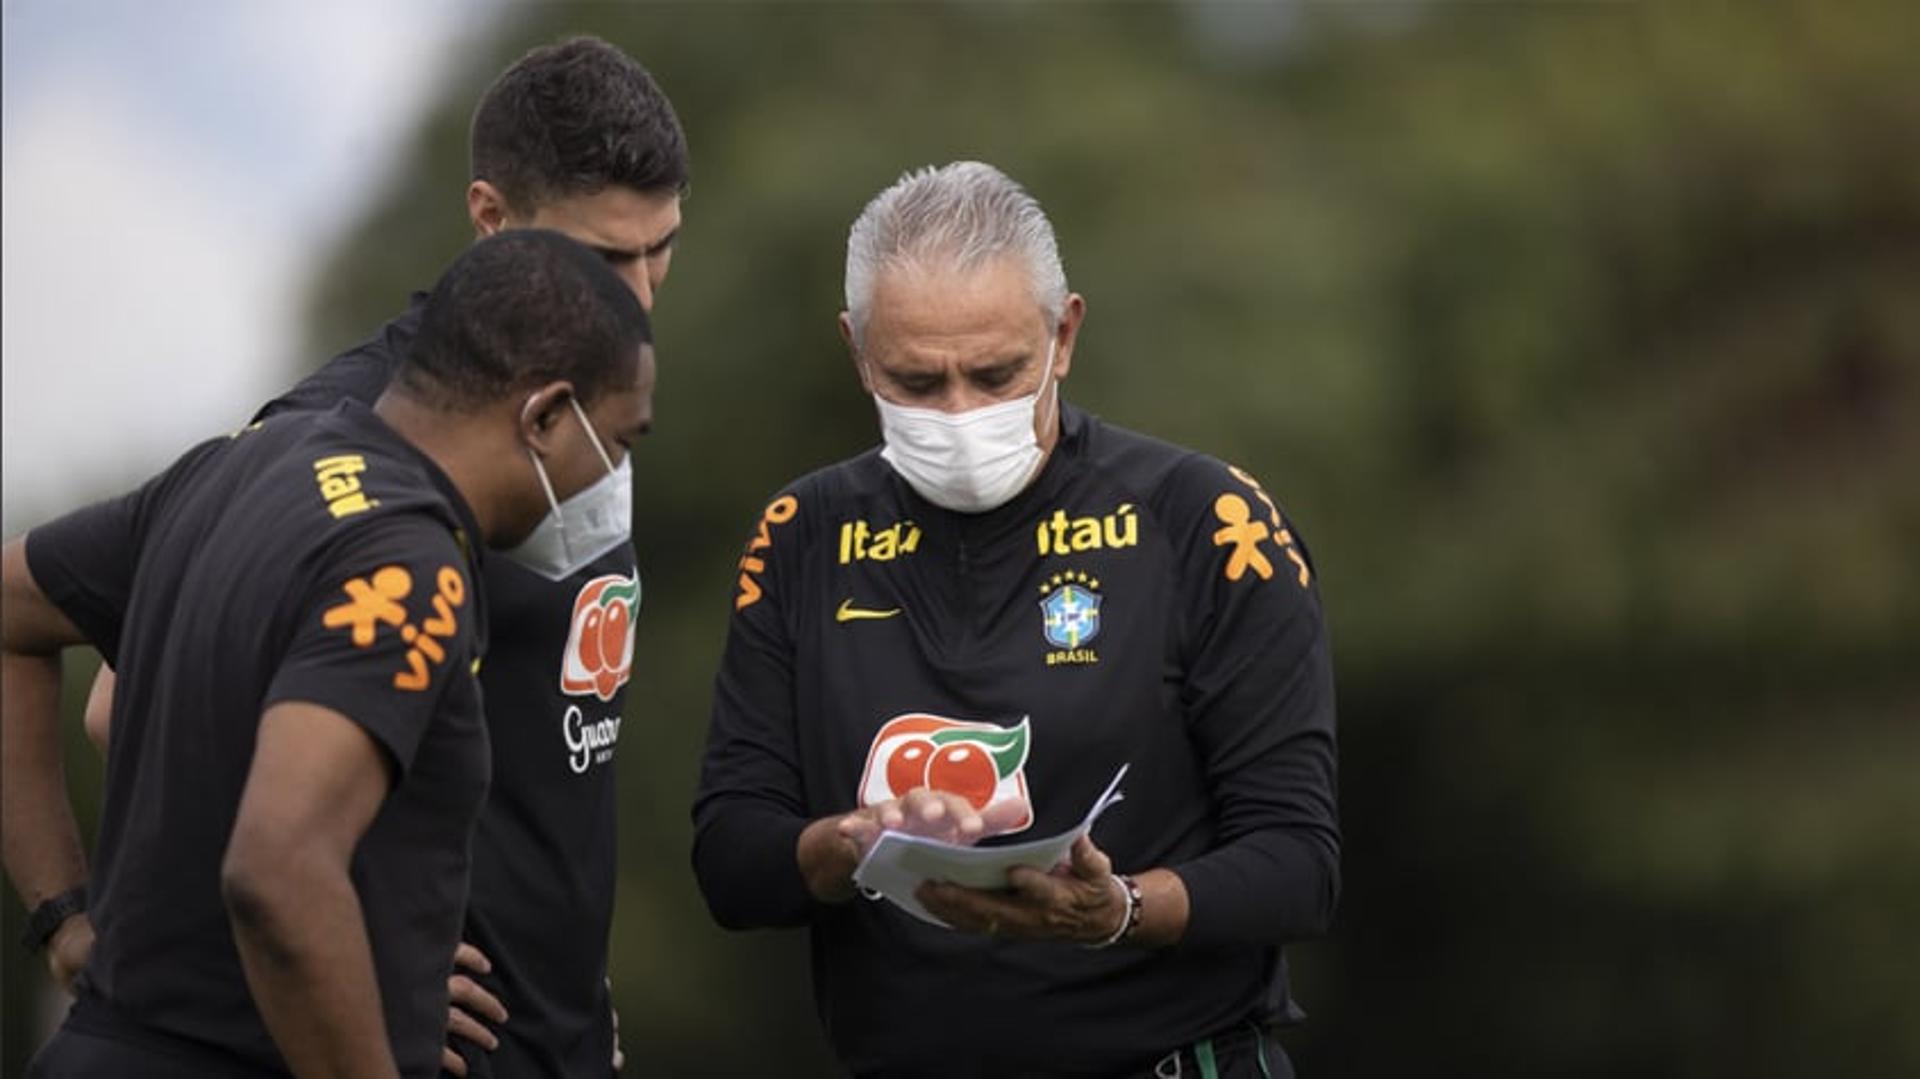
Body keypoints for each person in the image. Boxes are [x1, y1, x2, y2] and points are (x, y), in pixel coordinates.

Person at [74, 36, 687, 1077]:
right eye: (599, 257)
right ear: (490, 218)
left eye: (658, 248)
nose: (636, 295)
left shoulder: (589, 390)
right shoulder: (351, 427)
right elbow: (120, 704)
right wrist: (346, 932)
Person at [692, 161, 1339, 1077]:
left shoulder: (1207, 519)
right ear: (856, 351)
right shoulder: (803, 533)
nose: (959, 413)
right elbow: (730, 855)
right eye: (916, 382)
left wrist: (1117, 910)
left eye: (997, 373)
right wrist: (850, 843)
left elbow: (1298, 863)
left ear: (1064, 333)